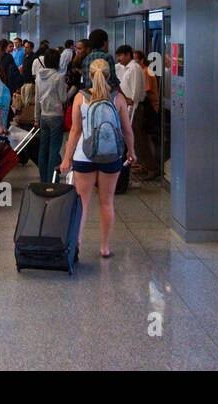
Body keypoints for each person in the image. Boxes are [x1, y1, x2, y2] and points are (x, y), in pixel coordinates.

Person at [59, 57, 135, 258]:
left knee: (82, 202)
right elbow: (127, 130)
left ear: (89, 76)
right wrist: (131, 152)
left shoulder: (80, 98)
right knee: (106, 202)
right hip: (111, 155)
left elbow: (75, 131)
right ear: (110, 76)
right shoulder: (118, 99)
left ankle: (77, 242)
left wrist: (67, 159)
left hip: (84, 155)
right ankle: (104, 247)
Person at [115, 44, 152, 180]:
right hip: (129, 106)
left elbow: (136, 90)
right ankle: (143, 165)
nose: (119, 59)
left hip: (136, 106)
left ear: (128, 55)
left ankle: (151, 167)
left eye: (120, 56)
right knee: (133, 138)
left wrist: (132, 101)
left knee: (137, 139)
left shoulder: (135, 68)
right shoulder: (125, 68)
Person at [34, 48, 67, 183]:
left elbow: (37, 99)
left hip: (43, 117)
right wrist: (69, 90)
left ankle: (43, 179)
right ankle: (52, 180)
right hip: (56, 116)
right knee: (54, 150)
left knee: (43, 149)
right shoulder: (58, 77)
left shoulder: (38, 78)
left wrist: (36, 118)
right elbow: (63, 98)